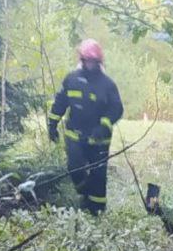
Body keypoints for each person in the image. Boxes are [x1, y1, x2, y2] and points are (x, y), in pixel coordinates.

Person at [47, 39, 123, 215]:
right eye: (87, 61)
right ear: (82, 59)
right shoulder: (71, 80)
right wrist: (52, 124)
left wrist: (103, 126)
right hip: (75, 136)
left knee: (98, 175)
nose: (90, 64)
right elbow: (60, 103)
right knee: (75, 168)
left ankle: (96, 211)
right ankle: (85, 195)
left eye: (93, 62)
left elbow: (117, 109)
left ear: (99, 62)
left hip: (99, 140)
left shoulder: (108, 84)